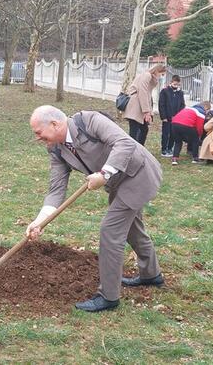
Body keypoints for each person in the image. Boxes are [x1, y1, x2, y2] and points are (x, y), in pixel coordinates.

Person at [26, 106, 164, 313]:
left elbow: (124, 142)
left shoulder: (89, 121)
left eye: (39, 132)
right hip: (119, 182)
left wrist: (104, 174)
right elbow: (56, 189)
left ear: (55, 124)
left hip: (139, 174)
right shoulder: (56, 149)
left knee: (110, 230)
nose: (38, 138)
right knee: (132, 228)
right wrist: (40, 221)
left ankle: (108, 296)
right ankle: (151, 274)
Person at [123, 64, 167, 145]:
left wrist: (149, 112)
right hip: (136, 106)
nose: (162, 77)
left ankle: (139, 149)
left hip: (140, 107)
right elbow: (143, 93)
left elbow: (148, 95)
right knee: (134, 132)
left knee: (143, 130)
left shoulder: (150, 77)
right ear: (157, 71)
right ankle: (132, 151)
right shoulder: (147, 76)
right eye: (162, 74)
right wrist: (147, 112)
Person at [158, 75, 185, 157]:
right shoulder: (164, 91)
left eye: (177, 85)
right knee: (166, 134)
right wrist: (164, 117)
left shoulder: (180, 93)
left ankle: (170, 148)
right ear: (171, 83)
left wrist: (179, 116)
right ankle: (164, 149)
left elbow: (182, 105)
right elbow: (161, 105)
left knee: (174, 134)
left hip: (176, 118)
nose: (176, 86)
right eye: (174, 84)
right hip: (167, 117)